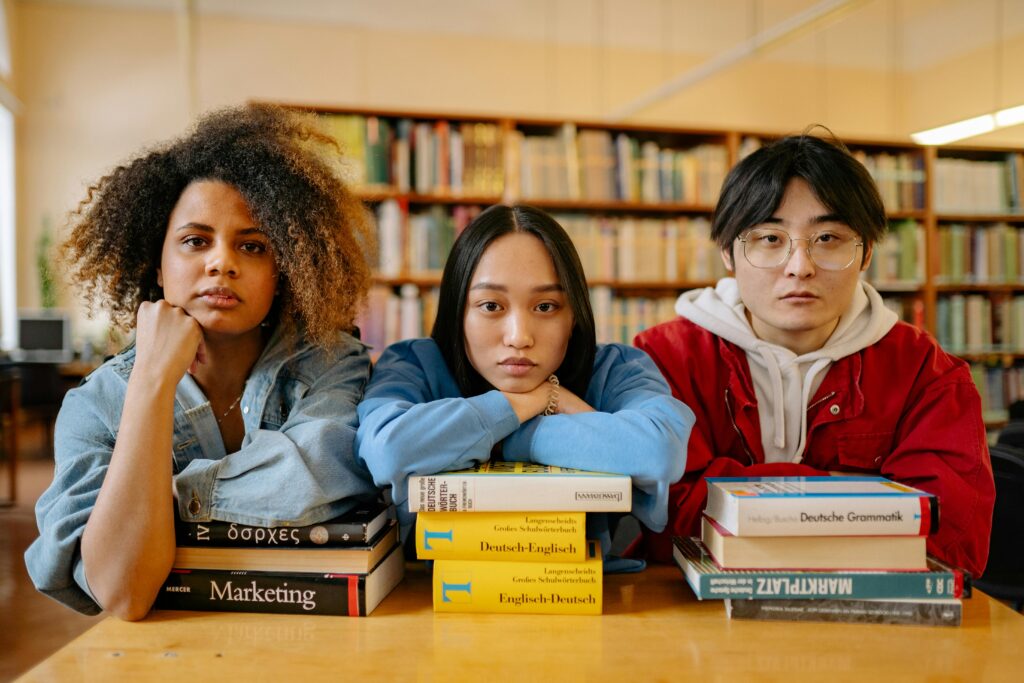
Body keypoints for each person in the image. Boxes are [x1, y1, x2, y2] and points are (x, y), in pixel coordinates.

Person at [25, 104, 380, 619]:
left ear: (284, 270)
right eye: (195, 241)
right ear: (158, 265)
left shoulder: (334, 364)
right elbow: (122, 593)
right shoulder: (98, 404)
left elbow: (319, 471)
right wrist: (150, 380)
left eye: (253, 246)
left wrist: (164, 500)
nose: (221, 262)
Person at [633, 131, 995, 578]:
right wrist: (859, 498)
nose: (799, 265)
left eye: (827, 238)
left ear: (865, 253)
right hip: (693, 623)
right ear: (728, 253)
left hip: (881, 628)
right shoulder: (661, 359)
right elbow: (659, 521)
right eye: (769, 238)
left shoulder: (926, 372)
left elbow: (948, 542)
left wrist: (739, 498)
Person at [356, 204, 694, 566]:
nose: (519, 337)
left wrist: (506, 437)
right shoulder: (414, 364)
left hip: (581, 596)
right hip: (428, 601)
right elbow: (387, 449)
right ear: (458, 311)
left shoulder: (616, 368)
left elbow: (659, 450)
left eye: (546, 307)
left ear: (574, 315)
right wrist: (530, 402)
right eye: (490, 305)